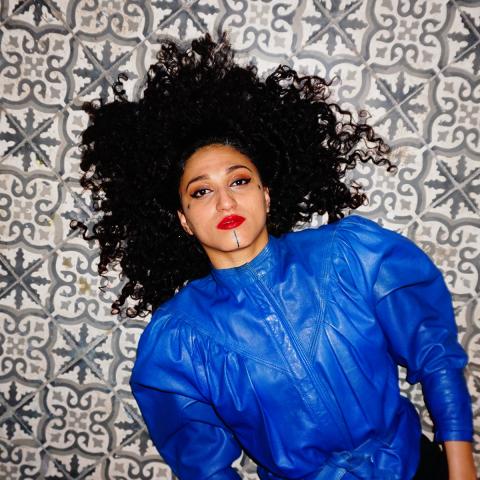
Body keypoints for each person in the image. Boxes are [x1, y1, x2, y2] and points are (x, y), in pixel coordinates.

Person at [74, 33, 476, 479]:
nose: (225, 202)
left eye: (239, 181)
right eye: (202, 191)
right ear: (184, 220)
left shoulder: (351, 256)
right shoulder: (178, 342)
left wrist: (461, 470)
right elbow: (205, 469)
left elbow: (435, 355)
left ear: (266, 194)